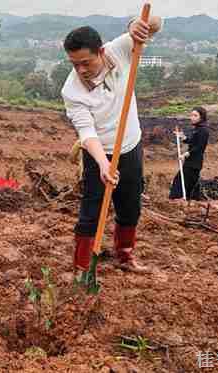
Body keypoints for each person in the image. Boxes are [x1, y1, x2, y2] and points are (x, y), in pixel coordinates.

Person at [61, 16, 162, 276]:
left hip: (130, 146)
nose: (81, 69)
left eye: (86, 62)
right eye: (74, 64)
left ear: (101, 51)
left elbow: (155, 23)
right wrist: (103, 164)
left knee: (130, 206)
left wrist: (137, 25)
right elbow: (86, 132)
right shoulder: (71, 91)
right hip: (98, 153)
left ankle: (124, 256)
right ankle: (82, 267)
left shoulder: (118, 51)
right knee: (91, 212)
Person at [169, 107, 210, 201]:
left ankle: (177, 201)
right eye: (191, 115)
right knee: (189, 183)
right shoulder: (197, 129)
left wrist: (186, 154)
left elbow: (200, 147)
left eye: (195, 115)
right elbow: (192, 142)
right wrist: (183, 137)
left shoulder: (203, 131)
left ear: (201, 117)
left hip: (194, 163)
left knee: (180, 181)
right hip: (191, 162)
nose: (192, 117)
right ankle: (190, 201)